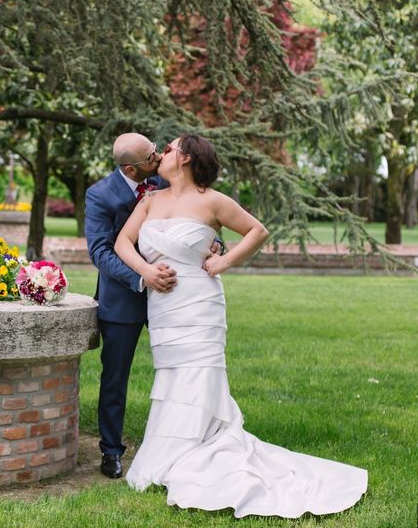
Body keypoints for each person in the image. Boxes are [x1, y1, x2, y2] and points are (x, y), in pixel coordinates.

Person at [114, 134, 367, 517]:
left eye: (169, 147)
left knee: (198, 374)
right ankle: (173, 448)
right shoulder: (150, 201)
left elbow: (257, 231)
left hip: (200, 304)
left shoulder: (212, 200)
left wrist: (224, 261)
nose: (162, 152)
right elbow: (122, 244)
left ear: (186, 158)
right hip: (164, 307)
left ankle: (194, 449)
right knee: (173, 377)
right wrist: (147, 272)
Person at [84, 133, 180, 479]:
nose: (158, 159)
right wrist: (141, 278)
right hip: (122, 299)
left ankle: (179, 441)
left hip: (172, 294)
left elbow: (195, 214)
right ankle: (110, 451)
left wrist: (213, 243)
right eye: (150, 157)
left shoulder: (164, 181)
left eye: (157, 152)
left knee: (179, 367)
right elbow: (100, 251)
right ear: (130, 167)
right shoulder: (99, 195)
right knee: (115, 379)